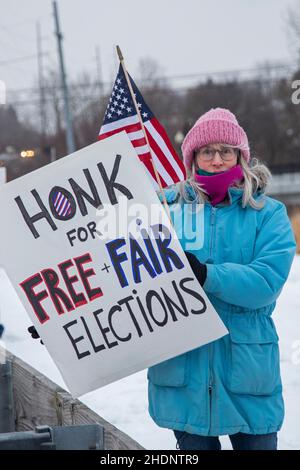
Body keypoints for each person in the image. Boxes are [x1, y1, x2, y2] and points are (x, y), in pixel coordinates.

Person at [147, 108, 297, 451]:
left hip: (247, 374)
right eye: (207, 151)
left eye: (226, 151)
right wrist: (68, 318)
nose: (216, 160)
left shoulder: (267, 214)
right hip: (183, 373)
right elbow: (120, 270)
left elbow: (266, 282)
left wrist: (207, 274)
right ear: (193, 157)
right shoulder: (162, 211)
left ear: (240, 157)